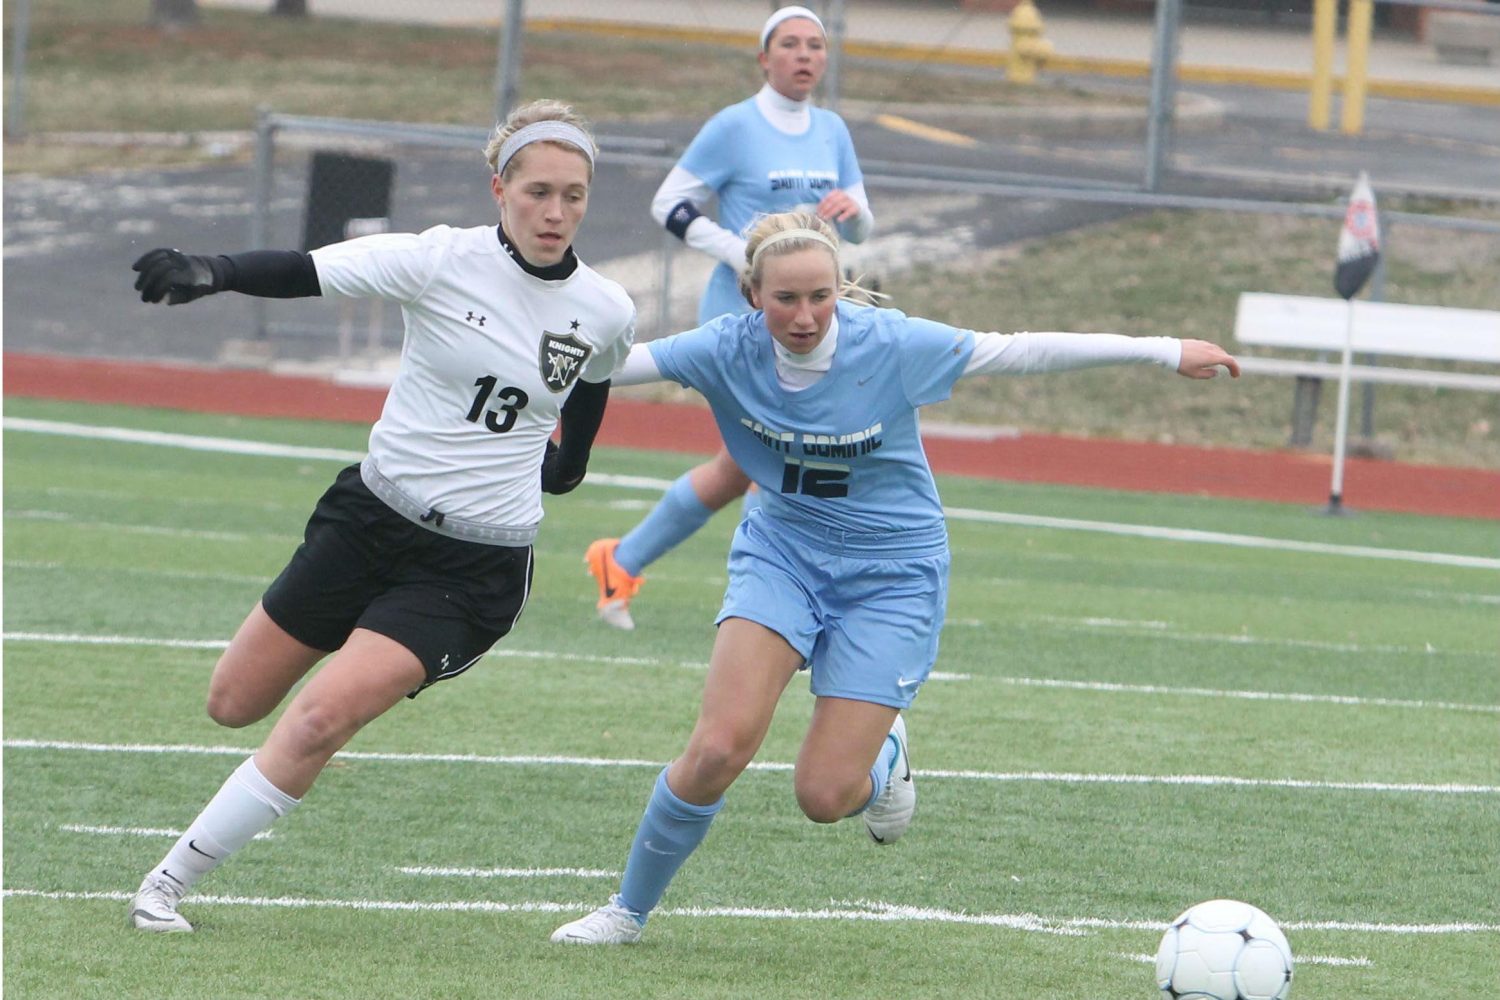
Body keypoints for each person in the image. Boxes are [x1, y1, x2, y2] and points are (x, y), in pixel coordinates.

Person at [550, 210, 1239, 945]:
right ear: (752, 295)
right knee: (718, 748)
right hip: (782, 554)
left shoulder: (894, 345)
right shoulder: (723, 348)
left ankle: (882, 757)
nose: (807, 315)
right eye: (786, 299)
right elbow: (604, 367)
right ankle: (626, 910)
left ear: (841, 288)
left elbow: (1024, 352)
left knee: (822, 796)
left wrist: (1164, 351)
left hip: (893, 574)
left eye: (822, 295)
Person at [124, 100, 635, 933]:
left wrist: (570, 459)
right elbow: (312, 268)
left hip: (471, 566)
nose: (556, 212)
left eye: (573, 195)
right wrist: (213, 269)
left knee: (321, 716)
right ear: (498, 187)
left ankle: (167, 884)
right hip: (369, 518)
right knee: (232, 701)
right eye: (538, 191)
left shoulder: (605, 305)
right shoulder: (438, 260)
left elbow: (600, 374)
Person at [585, 4, 875, 631]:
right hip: (744, 307)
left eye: (815, 45)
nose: (805, 55)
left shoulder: (832, 130)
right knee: (773, 451)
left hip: (813, 312)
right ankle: (778, 603)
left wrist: (852, 209)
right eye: (791, 44)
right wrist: (739, 252)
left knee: (743, 464)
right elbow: (670, 202)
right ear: (764, 58)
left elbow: (859, 227)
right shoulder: (734, 126)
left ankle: (622, 560)